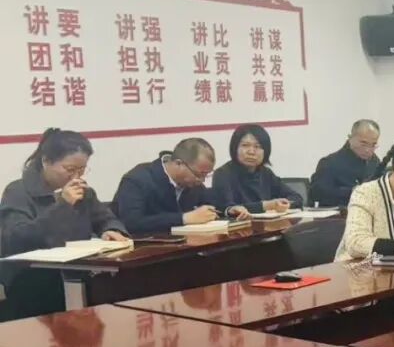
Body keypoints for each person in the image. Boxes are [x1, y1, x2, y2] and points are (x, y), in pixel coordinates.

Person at [0, 129, 128, 321]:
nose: (76, 176)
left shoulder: (84, 191)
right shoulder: (18, 192)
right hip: (32, 281)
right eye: (69, 169)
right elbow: (18, 238)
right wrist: (63, 205)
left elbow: (106, 218)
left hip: (80, 274)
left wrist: (111, 230)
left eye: (82, 169)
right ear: (46, 161)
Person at [113, 138, 249, 235]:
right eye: (199, 174)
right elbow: (132, 223)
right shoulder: (137, 180)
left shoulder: (193, 183)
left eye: (206, 175)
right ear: (179, 164)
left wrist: (229, 210)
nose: (201, 180)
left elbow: (210, 202)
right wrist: (184, 218)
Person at [212, 124, 302, 214]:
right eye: (245, 145)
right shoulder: (222, 174)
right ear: (235, 148)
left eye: (257, 146)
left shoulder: (266, 173)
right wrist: (266, 205)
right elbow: (227, 208)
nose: (251, 152)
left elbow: (296, 198)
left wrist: (284, 204)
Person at [310, 119, 384, 208]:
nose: (368, 150)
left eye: (373, 145)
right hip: (340, 213)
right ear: (350, 138)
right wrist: (351, 191)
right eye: (363, 144)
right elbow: (316, 193)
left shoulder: (374, 162)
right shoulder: (330, 163)